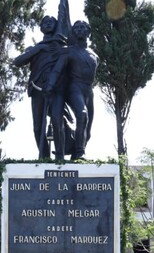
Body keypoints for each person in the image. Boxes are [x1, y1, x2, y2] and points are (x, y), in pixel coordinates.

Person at [13, 15, 68, 159]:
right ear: (41, 28)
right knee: (38, 127)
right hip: (38, 89)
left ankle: (60, 157)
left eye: (52, 22)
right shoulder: (35, 48)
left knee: (57, 121)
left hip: (57, 90)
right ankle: (44, 157)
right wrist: (38, 49)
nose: (49, 24)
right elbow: (17, 62)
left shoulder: (62, 47)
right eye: (46, 22)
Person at [45, 20, 99, 160]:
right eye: (77, 28)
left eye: (83, 28)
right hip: (74, 88)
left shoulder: (94, 55)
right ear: (74, 32)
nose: (80, 30)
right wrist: (50, 85)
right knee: (82, 114)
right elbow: (57, 70)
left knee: (89, 127)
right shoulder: (68, 51)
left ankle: (76, 155)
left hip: (89, 91)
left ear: (88, 31)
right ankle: (80, 152)